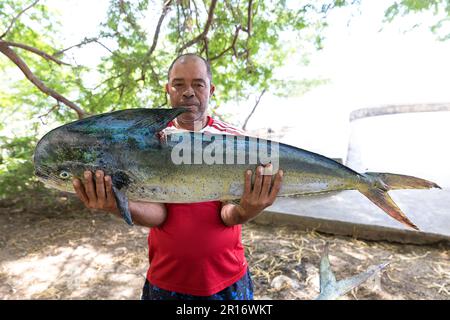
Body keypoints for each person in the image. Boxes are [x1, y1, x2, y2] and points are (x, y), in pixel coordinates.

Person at [72, 53, 283, 300]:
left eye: (198, 84)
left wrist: (248, 209)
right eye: (179, 84)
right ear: (168, 89)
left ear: (210, 89)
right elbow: (159, 213)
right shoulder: (151, 142)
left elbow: (228, 213)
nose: (188, 92)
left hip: (227, 280)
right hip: (166, 280)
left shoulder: (235, 141)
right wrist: (117, 205)